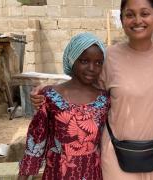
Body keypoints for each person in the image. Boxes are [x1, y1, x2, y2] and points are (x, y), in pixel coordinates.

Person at [30, 0, 153, 179]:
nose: (137, 20)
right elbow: (82, 87)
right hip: (115, 157)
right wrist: (49, 91)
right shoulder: (109, 57)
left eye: (145, 13)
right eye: (130, 15)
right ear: (121, 20)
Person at [18, 32, 110, 180]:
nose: (92, 68)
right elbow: (36, 140)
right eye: (84, 61)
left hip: (91, 174)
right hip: (57, 174)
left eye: (98, 62)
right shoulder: (49, 97)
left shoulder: (104, 100)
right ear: (71, 59)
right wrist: (23, 175)